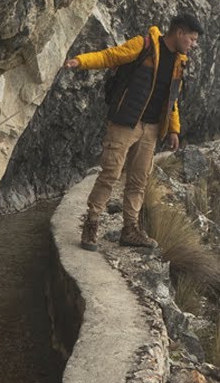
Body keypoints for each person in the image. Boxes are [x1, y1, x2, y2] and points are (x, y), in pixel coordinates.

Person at [63, 13, 203, 251]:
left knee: (139, 180)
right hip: (124, 123)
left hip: (152, 129)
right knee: (110, 174)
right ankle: (92, 224)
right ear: (179, 33)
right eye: (191, 39)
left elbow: (173, 99)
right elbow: (110, 56)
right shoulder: (145, 45)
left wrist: (173, 130)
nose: (193, 44)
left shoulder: (180, 62)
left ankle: (130, 230)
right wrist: (80, 61)